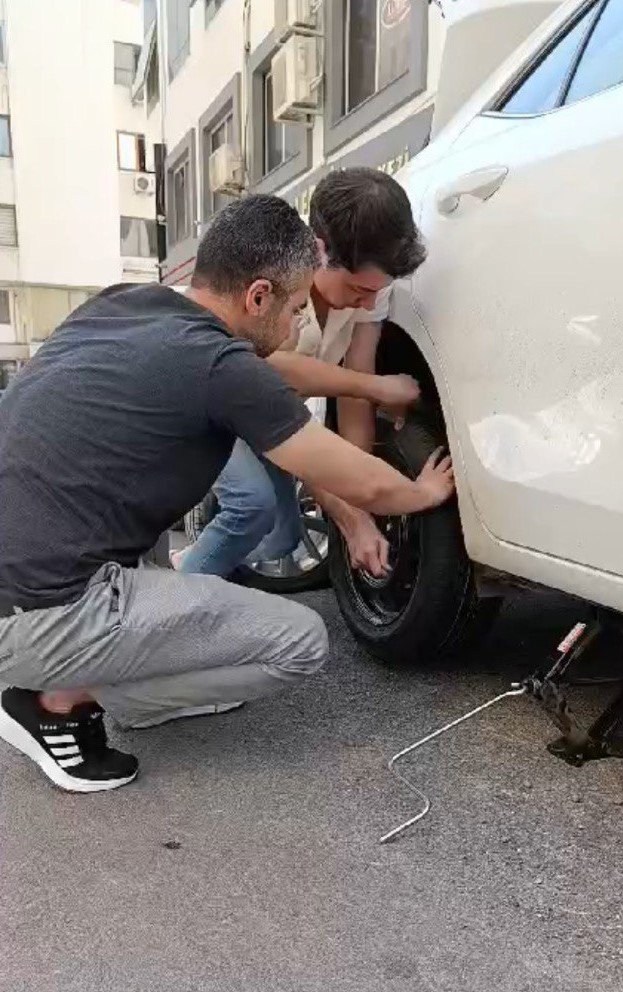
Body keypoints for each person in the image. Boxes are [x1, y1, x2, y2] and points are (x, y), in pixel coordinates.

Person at [0, 194, 454, 794]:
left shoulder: (121, 305)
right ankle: (59, 699)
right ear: (258, 295)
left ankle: (88, 668)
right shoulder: (220, 364)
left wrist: (367, 389)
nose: (298, 325)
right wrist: (420, 493)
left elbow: (284, 378)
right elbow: (360, 477)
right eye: (294, 308)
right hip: (40, 614)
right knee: (299, 641)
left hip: (21, 575)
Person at [174, 168, 427, 581]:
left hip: (263, 415)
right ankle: (172, 602)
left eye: (377, 293)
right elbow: (275, 383)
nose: (367, 305)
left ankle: (191, 568)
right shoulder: (276, 291)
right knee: (251, 504)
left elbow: (352, 399)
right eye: (359, 291)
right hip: (215, 400)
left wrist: (356, 501)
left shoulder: (370, 292)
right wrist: (351, 516)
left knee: (282, 538)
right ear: (319, 251)